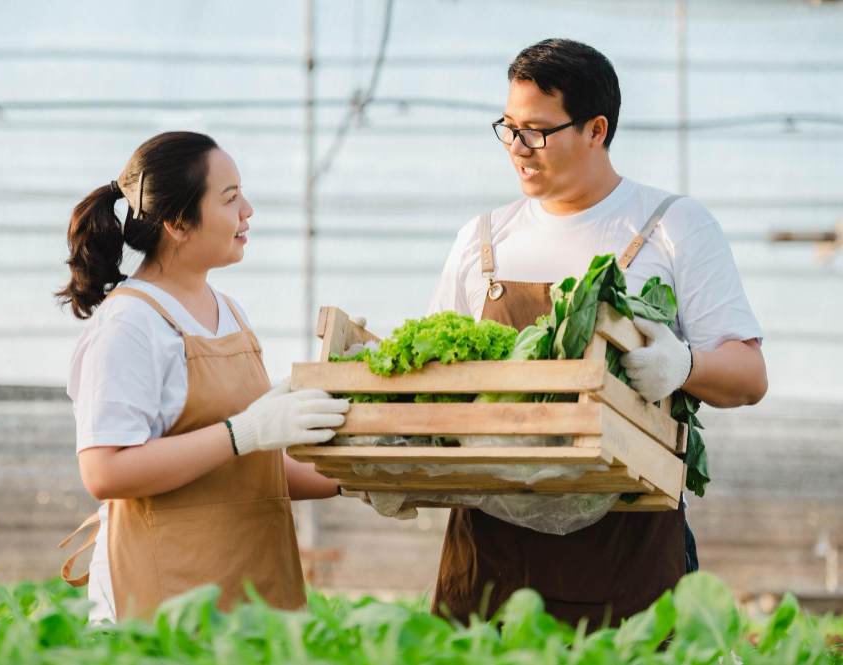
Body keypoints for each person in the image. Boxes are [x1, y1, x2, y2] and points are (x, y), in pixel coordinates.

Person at [425, 39, 767, 627]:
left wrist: (685, 366)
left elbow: (749, 376)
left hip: (625, 547)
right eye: (508, 128)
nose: (517, 148)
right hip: (490, 547)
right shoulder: (481, 238)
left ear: (595, 129)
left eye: (535, 131)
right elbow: (438, 380)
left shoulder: (671, 226)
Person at [55, 131, 348, 622]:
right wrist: (243, 432)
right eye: (230, 198)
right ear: (176, 222)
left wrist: (364, 476)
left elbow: (256, 469)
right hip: (163, 603)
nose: (247, 210)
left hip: (254, 594)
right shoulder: (131, 323)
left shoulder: (230, 312)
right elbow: (105, 471)